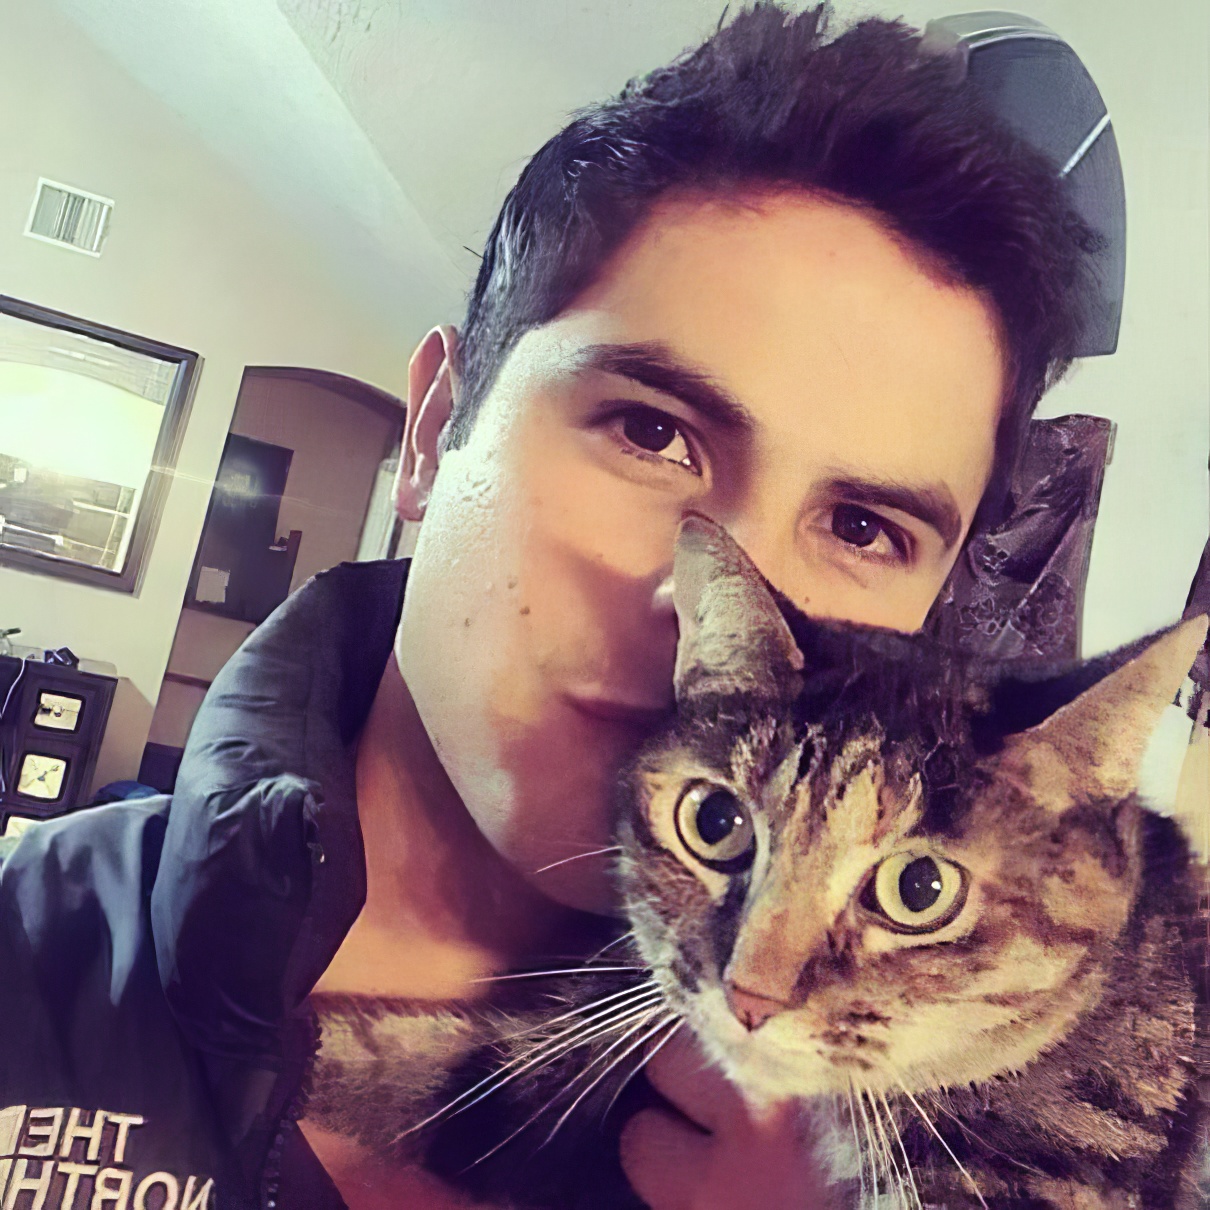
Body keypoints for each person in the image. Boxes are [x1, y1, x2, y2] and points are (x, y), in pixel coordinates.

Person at [0, 5, 1095, 1208]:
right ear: (434, 430)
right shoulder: (30, 958)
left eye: (863, 529)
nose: (714, 607)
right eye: (652, 432)